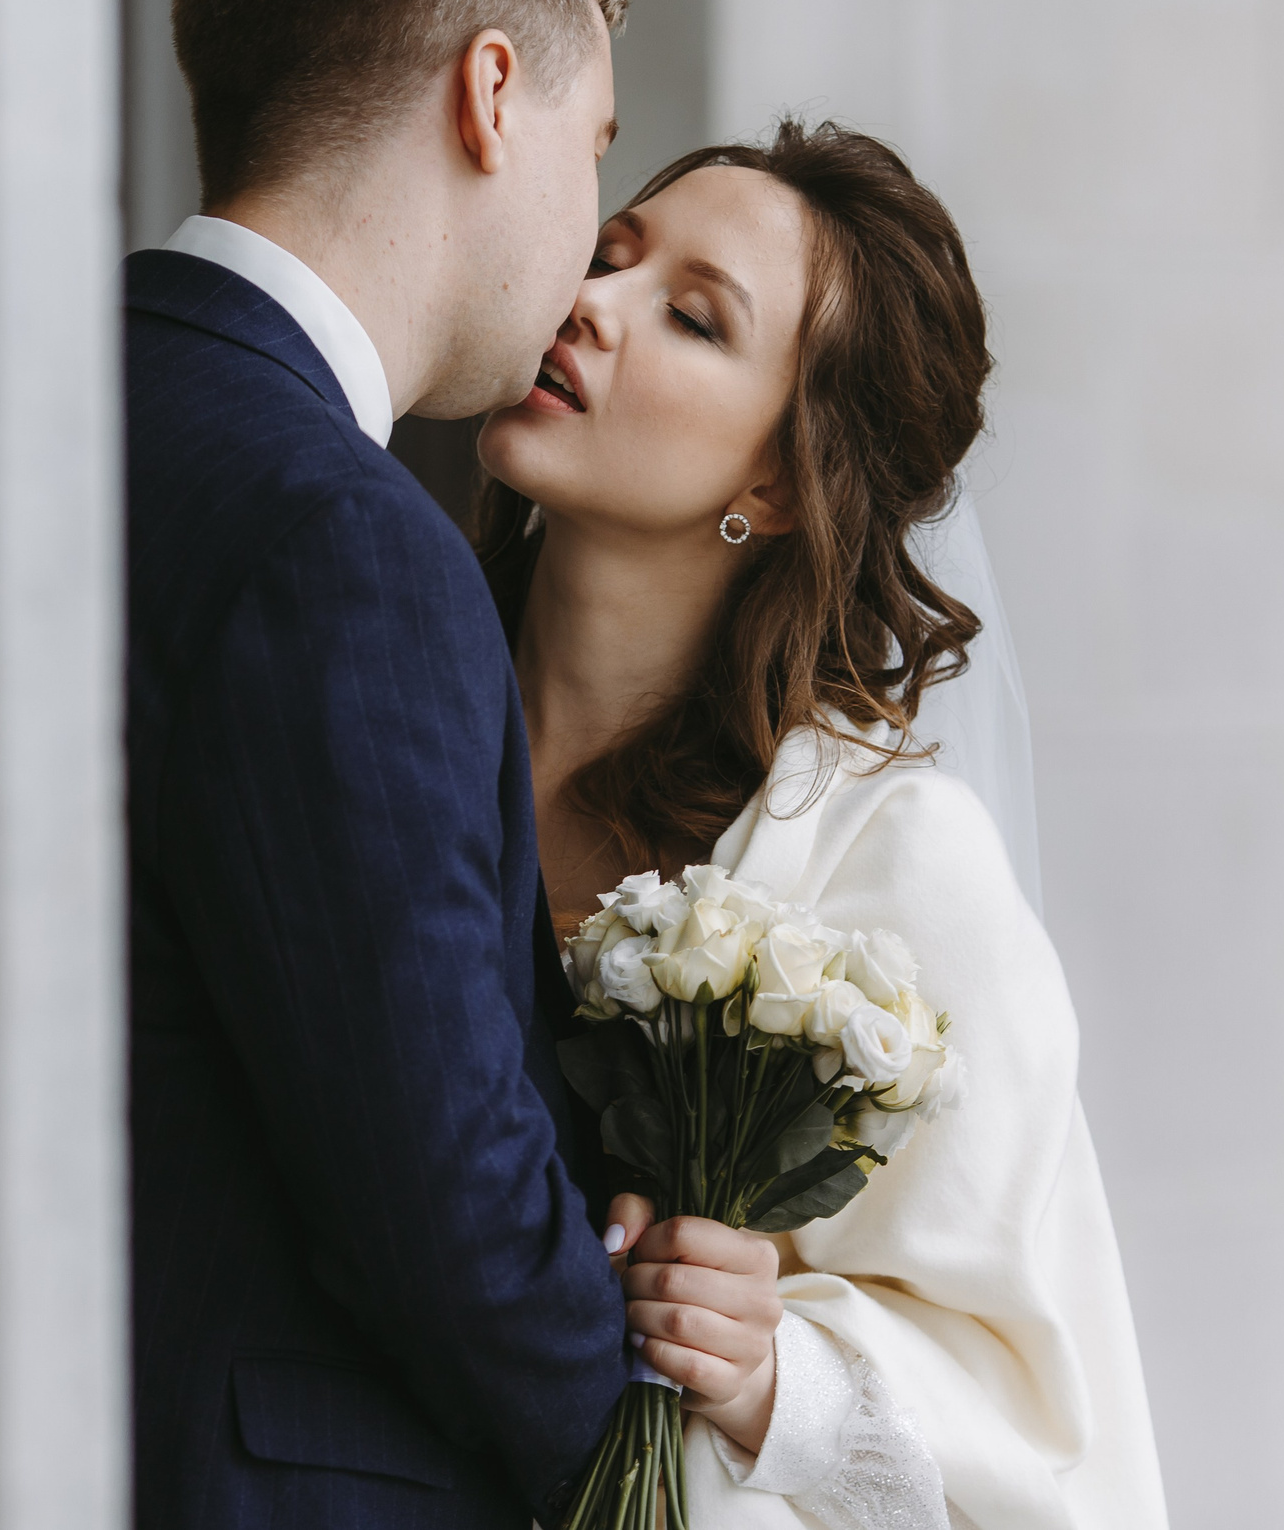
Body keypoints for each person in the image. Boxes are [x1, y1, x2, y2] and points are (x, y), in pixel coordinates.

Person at [479, 121, 1169, 1528]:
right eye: (610, 253)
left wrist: (770, 1363)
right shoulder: (400, 702)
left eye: (690, 316)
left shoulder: (892, 859)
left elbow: (1047, 1431)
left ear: (776, 482)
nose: (587, 305)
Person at [122, 0, 647, 1524]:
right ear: (491, 95)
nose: (589, 246)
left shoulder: (42, 407)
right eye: (596, 148)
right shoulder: (340, 533)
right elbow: (449, 1194)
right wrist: (648, 1478)